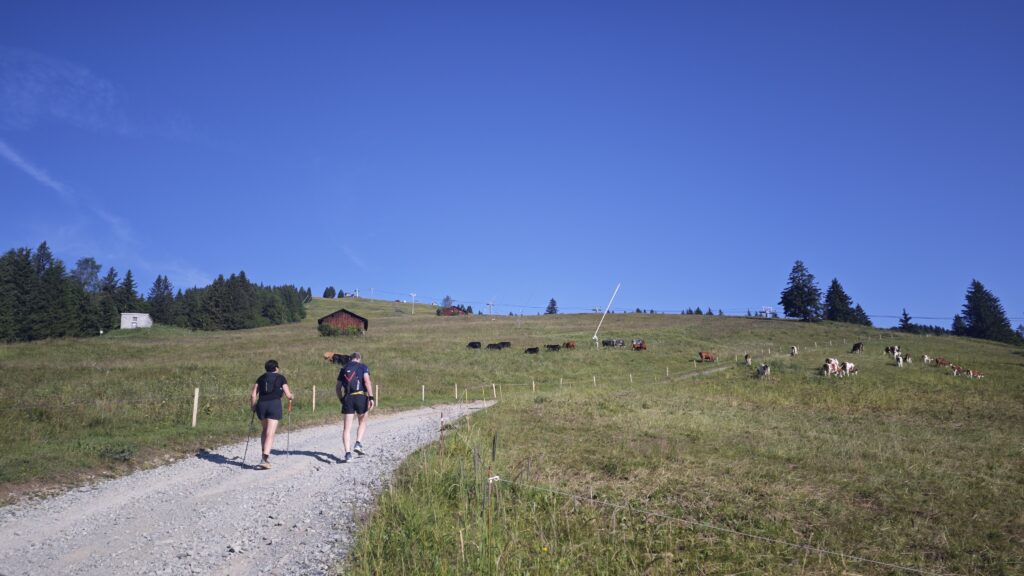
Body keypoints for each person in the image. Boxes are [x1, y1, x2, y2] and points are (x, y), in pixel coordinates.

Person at [250, 359, 294, 470]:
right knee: (271, 432)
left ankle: (263, 455)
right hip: (274, 404)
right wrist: (291, 396)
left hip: (261, 405)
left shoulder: (260, 378)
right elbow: (288, 395)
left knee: (264, 430)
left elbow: (253, 395)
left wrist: (253, 406)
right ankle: (264, 459)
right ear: (276, 368)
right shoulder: (281, 378)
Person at [336, 351, 375, 463]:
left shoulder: (343, 369)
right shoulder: (363, 367)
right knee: (362, 421)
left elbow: (338, 388)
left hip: (348, 398)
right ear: (359, 358)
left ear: (350, 359)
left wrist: (341, 399)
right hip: (361, 397)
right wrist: (371, 397)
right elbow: (367, 382)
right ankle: (358, 443)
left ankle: (348, 454)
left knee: (346, 428)